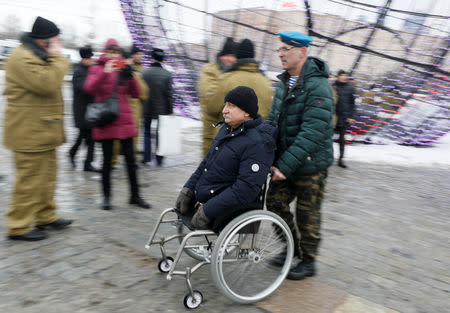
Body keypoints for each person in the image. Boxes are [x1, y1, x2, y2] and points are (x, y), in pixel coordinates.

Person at [265, 31, 334, 280]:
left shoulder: (319, 86)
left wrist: (284, 164)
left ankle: (309, 260)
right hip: (285, 162)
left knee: (308, 214)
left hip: (310, 164)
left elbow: (312, 132)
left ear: (302, 52)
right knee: (273, 204)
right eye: (280, 49)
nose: (281, 54)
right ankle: (290, 247)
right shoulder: (283, 82)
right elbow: (274, 120)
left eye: (286, 49)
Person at [3, 16, 73, 241]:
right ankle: (19, 226)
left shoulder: (38, 54)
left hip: (43, 130)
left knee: (47, 179)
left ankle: (45, 216)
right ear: (43, 41)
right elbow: (46, 83)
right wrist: (60, 58)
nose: (58, 45)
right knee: (30, 180)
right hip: (28, 132)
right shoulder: (22, 57)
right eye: (56, 40)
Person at [175, 86, 276, 229]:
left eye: (231, 106)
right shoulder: (228, 129)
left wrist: (208, 210)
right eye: (225, 104)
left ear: (247, 112)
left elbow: (245, 189)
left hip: (228, 210)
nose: (224, 110)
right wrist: (188, 189)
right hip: (209, 197)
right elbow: (206, 163)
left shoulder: (258, 143)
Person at [84, 38, 150, 210]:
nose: (114, 55)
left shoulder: (123, 70)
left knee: (131, 161)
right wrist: (105, 72)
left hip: (125, 120)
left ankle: (135, 196)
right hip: (107, 119)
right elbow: (89, 89)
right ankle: (106, 197)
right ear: (105, 53)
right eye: (111, 52)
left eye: (117, 52)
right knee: (107, 161)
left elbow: (136, 94)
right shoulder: (96, 68)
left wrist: (131, 75)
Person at [209, 38, 273, 125]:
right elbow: (269, 113)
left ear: (237, 56)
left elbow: (212, 109)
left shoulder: (226, 78)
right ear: (253, 56)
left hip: (230, 135)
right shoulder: (265, 81)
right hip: (257, 135)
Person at [197, 37, 237, 157]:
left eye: (233, 56)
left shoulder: (234, 73)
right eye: (227, 55)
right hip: (213, 131)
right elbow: (210, 99)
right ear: (221, 55)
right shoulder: (210, 70)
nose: (230, 59)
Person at [111, 46, 149, 168]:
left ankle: (112, 161)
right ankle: (131, 161)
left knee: (116, 137)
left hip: (118, 110)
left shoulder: (113, 72)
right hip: (133, 111)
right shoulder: (135, 75)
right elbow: (143, 93)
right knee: (132, 137)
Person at [69, 46, 100, 172]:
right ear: (84, 59)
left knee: (84, 136)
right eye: (90, 58)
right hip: (81, 110)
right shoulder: (78, 71)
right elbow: (84, 88)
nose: (91, 60)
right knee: (90, 137)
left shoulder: (88, 69)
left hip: (89, 109)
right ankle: (87, 163)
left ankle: (74, 154)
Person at [142, 48, 173, 166]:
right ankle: (159, 158)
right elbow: (169, 95)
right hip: (162, 109)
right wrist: (170, 110)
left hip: (146, 107)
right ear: (163, 59)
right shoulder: (167, 74)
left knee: (146, 132)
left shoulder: (144, 73)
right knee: (161, 132)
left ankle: (146, 157)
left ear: (152, 58)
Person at [333, 70, 356, 168]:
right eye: (342, 75)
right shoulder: (332, 86)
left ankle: (341, 159)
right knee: (325, 139)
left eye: (345, 75)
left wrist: (351, 116)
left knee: (342, 140)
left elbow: (352, 104)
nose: (344, 77)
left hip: (344, 117)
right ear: (338, 76)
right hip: (332, 117)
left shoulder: (350, 88)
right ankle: (325, 158)